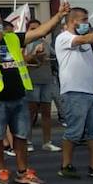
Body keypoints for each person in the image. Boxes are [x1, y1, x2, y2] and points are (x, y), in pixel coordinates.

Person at [0, 5, 68, 184]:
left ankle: (23, 171)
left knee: (21, 135)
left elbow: (40, 31)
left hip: (18, 95)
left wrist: (58, 15)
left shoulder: (13, 38)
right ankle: (2, 170)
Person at [54, 6, 93, 179]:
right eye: (83, 20)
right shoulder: (64, 38)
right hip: (74, 91)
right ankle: (66, 165)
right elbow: (86, 39)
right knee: (74, 131)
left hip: (91, 91)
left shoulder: (87, 42)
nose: (86, 23)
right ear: (72, 21)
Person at [25, 19, 61, 153]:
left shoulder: (44, 43)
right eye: (32, 29)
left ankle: (47, 141)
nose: (36, 31)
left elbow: (54, 56)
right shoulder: (27, 45)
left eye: (38, 28)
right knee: (31, 112)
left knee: (46, 112)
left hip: (46, 80)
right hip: (32, 81)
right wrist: (35, 56)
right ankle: (28, 141)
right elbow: (24, 60)